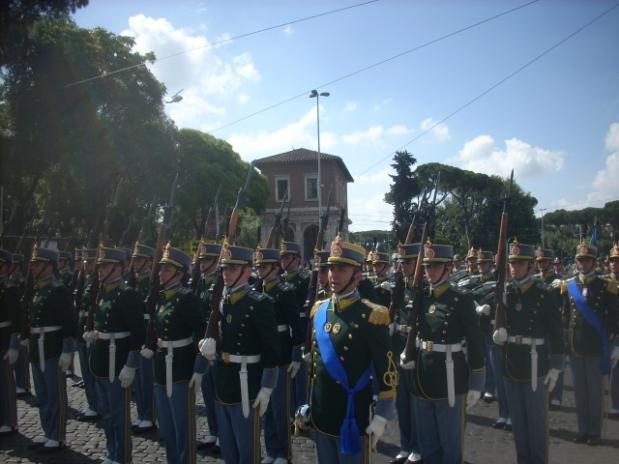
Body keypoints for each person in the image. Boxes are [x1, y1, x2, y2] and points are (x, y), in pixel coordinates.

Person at [299, 235, 398, 463]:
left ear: (357, 276)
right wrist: (310, 404)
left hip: (351, 414)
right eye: (331, 268)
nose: (333, 275)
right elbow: (316, 370)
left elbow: (387, 371)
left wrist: (383, 415)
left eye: (342, 269)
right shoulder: (319, 310)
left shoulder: (371, 315)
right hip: (322, 411)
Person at [400, 240, 485, 464]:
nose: (430, 271)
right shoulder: (422, 296)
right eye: (427, 266)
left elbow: (476, 341)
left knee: (450, 445)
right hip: (422, 376)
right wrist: (407, 353)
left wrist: (477, 380)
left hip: (450, 378)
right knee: (428, 445)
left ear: (448, 268)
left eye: (435, 266)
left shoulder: (461, 299)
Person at [199, 241, 280, 464]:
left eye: (232, 268)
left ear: (247, 271)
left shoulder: (259, 303)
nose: (226, 273)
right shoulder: (223, 301)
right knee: (227, 448)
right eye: (224, 268)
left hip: (247, 383)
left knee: (247, 449)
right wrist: (210, 344)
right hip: (224, 381)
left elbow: (272, 349)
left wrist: (267, 386)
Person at [493, 241, 564, 463]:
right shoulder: (505, 292)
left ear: (531, 265)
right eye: (512, 263)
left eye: (519, 263)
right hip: (512, 361)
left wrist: (556, 366)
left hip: (535, 363)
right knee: (518, 421)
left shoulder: (544, 294)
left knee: (536, 422)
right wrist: (497, 328)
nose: (514, 267)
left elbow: (556, 332)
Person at [140, 244, 206, 464]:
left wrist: (199, 367)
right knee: (167, 425)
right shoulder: (163, 296)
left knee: (182, 424)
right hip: (161, 366)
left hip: (180, 366)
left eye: (166, 270)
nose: (161, 273)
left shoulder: (186, 299)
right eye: (161, 269)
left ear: (180, 273)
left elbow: (201, 333)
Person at [83, 245, 145, 464]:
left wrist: (131, 363)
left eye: (106, 266)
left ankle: (122, 456)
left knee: (118, 415)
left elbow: (139, 333)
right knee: (107, 414)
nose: (100, 270)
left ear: (119, 268)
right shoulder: (102, 292)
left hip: (117, 361)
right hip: (101, 359)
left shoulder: (127, 295)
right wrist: (93, 333)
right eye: (99, 266)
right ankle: (111, 452)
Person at [561, 242, 618, 445]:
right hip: (576, 345)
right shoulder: (569, 286)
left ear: (593, 262)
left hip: (596, 346)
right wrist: (565, 342)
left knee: (595, 393)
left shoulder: (605, 286)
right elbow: (566, 318)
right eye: (580, 260)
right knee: (580, 392)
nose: (582, 264)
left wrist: (614, 344)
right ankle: (582, 429)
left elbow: (614, 317)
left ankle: (594, 432)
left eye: (586, 260)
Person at [253, 245, 303, 464]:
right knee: (265, 406)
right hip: (261, 355)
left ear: (274, 268)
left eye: (263, 266)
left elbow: (297, 327)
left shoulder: (284, 291)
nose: (259, 270)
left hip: (280, 353)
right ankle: (271, 449)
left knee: (279, 406)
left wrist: (295, 354)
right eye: (258, 266)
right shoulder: (257, 290)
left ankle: (284, 451)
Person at [26, 244, 76, 452]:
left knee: (54, 393)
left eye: (38, 264)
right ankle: (48, 430)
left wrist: (67, 349)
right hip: (37, 346)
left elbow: (69, 322)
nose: (34, 268)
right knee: (43, 393)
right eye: (33, 264)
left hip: (52, 346)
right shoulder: (38, 289)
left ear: (49, 267)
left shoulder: (59, 290)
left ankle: (58, 435)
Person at [390, 242, 422, 464]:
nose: (402, 267)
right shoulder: (400, 286)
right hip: (399, 344)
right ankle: (405, 444)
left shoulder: (421, 288)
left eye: (407, 262)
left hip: (417, 349)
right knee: (401, 401)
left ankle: (418, 446)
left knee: (416, 401)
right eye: (401, 262)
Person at [194, 240, 221, 452]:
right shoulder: (202, 283)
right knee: (207, 389)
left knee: (218, 390)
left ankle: (222, 433)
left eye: (207, 260)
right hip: (203, 342)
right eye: (201, 260)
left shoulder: (220, 284)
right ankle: (213, 431)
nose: (202, 264)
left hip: (216, 344)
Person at [128, 242, 157, 434]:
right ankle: (141, 413)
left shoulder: (152, 281)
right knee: (138, 377)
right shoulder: (136, 280)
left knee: (147, 377)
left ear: (148, 261)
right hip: (136, 331)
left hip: (148, 331)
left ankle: (149, 415)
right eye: (135, 259)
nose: (135, 263)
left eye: (139, 259)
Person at [280, 241, 309, 417]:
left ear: (297, 259)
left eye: (287, 257)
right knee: (285, 374)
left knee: (299, 376)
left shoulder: (305, 281)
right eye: (282, 257)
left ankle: (301, 413)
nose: (283, 260)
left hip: (298, 330)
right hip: (284, 334)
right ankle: (289, 411)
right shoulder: (279, 280)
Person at [74, 246, 101, 422]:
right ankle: (92, 403)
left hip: (92, 330)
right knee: (85, 369)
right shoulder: (85, 280)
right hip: (83, 327)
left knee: (93, 370)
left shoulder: (98, 281)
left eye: (90, 262)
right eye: (85, 262)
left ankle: (97, 404)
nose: (86, 265)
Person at [0, 248, 21, 436]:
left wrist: (14, 344)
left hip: (4, 337)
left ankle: (9, 420)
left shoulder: (9, 288)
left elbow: (17, 320)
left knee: (5, 381)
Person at [607, 244, 619, 417]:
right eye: (613, 261)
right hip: (613, 332)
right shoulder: (604, 281)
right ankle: (615, 405)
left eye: (617, 261)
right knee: (614, 371)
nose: (615, 264)